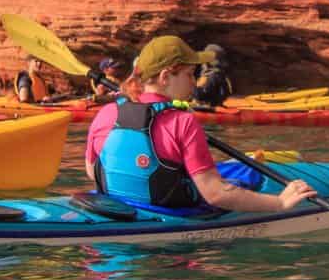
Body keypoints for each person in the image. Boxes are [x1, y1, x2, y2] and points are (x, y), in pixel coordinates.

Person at [84, 35, 316, 213]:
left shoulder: (106, 112)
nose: (194, 82)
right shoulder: (182, 121)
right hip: (170, 224)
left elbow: (92, 170)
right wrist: (280, 203)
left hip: (115, 208)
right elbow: (215, 194)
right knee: (242, 174)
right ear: (165, 77)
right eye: (189, 74)